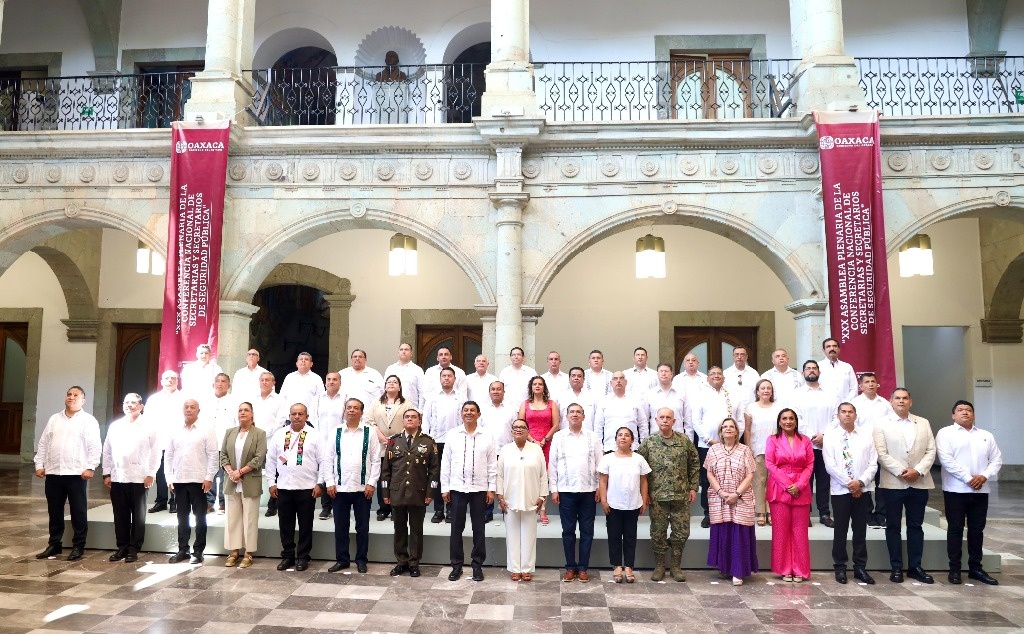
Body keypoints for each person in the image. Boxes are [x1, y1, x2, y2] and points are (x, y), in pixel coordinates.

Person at [873, 387, 936, 584]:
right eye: (897, 398)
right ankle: (897, 567)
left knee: (915, 526)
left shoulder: (923, 423)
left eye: (905, 398)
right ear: (891, 401)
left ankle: (915, 566)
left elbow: (931, 451)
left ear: (911, 401)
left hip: (919, 481)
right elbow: (881, 454)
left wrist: (917, 470)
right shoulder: (881, 423)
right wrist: (902, 471)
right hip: (893, 482)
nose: (901, 401)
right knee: (893, 526)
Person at [936, 399, 1002, 585]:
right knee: (955, 529)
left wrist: (983, 476)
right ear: (953, 415)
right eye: (960, 410)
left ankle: (976, 568)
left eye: (968, 410)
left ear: (973, 414)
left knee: (977, 530)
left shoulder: (986, 435)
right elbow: (947, 460)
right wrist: (968, 478)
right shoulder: (945, 433)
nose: (965, 412)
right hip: (955, 490)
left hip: (981, 490)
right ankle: (955, 569)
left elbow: (996, 460)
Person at [34, 386, 101, 562]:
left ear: (83, 400)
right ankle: (54, 543)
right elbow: (43, 443)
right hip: (54, 472)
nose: (71, 397)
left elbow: (95, 446)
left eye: (76, 395)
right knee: (54, 511)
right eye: (69, 394)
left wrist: (91, 466)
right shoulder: (54, 419)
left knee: (78, 510)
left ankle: (79, 545)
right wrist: (39, 464)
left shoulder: (88, 420)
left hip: (76, 474)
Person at [637, 407, 699, 582]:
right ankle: (659, 566)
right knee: (658, 533)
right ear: (656, 420)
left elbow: (694, 464)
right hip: (657, 496)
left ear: (674, 421)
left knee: (681, 532)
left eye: (668, 417)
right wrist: (645, 493)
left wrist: (693, 487)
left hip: (681, 496)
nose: (665, 420)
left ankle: (675, 566)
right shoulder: (648, 442)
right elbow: (639, 469)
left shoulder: (684, 441)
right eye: (661, 417)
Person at [266, 403, 328, 572]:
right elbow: (271, 460)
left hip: (307, 488)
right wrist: (271, 482)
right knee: (285, 524)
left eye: (301, 414)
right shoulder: (279, 435)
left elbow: (323, 461)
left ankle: (303, 557)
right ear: (289, 415)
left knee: (305, 524)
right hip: (283, 487)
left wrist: (320, 483)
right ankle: (287, 556)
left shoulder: (315, 435)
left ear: (307, 417)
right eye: (294, 413)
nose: (297, 417)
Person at [441, 401, 497, 582]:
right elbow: (446, 463)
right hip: (457, 488)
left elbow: (492, 465)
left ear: (479, 414)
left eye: (472, 410)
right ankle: (456, 566)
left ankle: (477, 566)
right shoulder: (452, 435)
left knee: (478, 529)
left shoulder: (487, 436)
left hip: (480, 489)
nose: (469, 413)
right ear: (461, 414)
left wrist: (491, 489)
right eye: (466, 410)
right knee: (456, 528)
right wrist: (445, 487)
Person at [822, 402, 877, 585]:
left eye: (850, 412)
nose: (847, 415)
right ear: (838, 415)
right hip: (840, 491)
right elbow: (830, 466)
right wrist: (849, 484)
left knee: (860, 530)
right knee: (841, 530)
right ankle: (840, 566)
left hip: (863, 489)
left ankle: (860, 567)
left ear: (855, 414)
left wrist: (860, 483)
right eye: (843, 412)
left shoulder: (866, 435)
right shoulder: (830, 436)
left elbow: (873, 463)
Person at [382, 409, 440, 577]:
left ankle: (414, 562)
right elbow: (386, 470)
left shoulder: (428, 442)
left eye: (414, 417)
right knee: (399, 528)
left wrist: (430, 492)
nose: (410, 419)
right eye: (407, 417)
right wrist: (385, 492)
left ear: (419, 421)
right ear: (403, 421)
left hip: (418, 492)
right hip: (397, 492)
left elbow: (434, 471)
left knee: (416, 529)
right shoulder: (393, 442)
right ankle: (401, 561)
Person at [325, 398, 381, 574]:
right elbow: (328, 459)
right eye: (349, 408)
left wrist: (372, 483)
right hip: (340, 488)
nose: (351, 411)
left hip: (362, 488)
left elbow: (376, 459)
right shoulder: (336, 431)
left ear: (361, 412)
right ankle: (342, 560)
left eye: (356, 408)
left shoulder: (369, 432)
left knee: (362, 526)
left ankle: (361, 560)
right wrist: (330, 482)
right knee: (340, 526)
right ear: (344, 411)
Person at [549, 403, 603, 582]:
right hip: (566, 491)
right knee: (568, 531)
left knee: (587, 531)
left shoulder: (592, 437)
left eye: (578, 412)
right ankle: (570, 567)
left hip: (588, 491)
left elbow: (599, 464)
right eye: (571, 412)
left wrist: (598, 487)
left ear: (584, 416)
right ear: (566, 416)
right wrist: (554, 489)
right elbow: (553, 464)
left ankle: (583, 568)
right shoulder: (558, 437)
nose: (575, 415)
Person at [102, 393, 159, 563]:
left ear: (141, 406)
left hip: (139, 477)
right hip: (118, 476)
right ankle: (122, 546)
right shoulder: (115, 426)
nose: (129, 405)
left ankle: (134, 548)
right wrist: (106, 473)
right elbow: (107, 450)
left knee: (138, 515)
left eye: (133, 403)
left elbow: (156, 452)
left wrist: (151, 473)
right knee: (120, 514)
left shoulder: (149, 426)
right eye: (126, 402)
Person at [705, 418, 758, 586]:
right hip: (719, 497)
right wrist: (720, 492)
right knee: (724, 530)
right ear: (720, 432)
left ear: (737, 432)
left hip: (741, 498)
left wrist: (736, 493)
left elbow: (750, 474)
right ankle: (724, 567)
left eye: (732, 427)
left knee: (739, 533)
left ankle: (738, 571)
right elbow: (709, 474)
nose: (728, 429)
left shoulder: (745, 450)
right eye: (725, 427)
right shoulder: (713, 450)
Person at [165, 399, 218, 565]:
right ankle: (183, 549)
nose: (189, 409)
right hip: (179, 480)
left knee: (200, 517)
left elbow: (213, 455)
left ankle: (198, 550)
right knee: (182, 517)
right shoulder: (175, 429)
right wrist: (169, 478)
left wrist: (209, 477)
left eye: (192, 407)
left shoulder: (206, 429)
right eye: (186, 407)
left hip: (199, 480)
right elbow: (169, 456)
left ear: (198, 411)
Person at [788, 360, 839, 527]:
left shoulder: (831, 394)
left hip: (826, 444)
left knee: (824, 481)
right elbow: (796, 419)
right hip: (805, 444)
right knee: (805, 481)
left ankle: (824, 513)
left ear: (819, 372)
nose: (811, 371)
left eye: (814, 368)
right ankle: (805, 513)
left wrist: (824, 435)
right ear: (803, 373)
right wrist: (812, 436)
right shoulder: (796, 394)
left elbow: (836, 418)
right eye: (808, 368)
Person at [496, 419, 549, 581]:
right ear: (511, 431)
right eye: (516, 427)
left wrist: (542, 497)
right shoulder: (505, 450)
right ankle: (514, 568)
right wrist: (500, 496)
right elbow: (499, 475)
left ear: (528, 431)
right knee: (512, 535)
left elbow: (543, 475)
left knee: (529, 535)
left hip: (532, 499)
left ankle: (527, 568)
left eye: (522, 427)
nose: (519, 430)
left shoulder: (536, 450)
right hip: (510, 500)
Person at [765, 408, 814, 582]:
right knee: (781, 531)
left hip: (801, 489)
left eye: (791, 418)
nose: (788, 421)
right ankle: (785, 569)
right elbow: (770, 464)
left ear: (796, 421)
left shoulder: (805, 440)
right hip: (779, 488)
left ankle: (800, 569)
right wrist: (787, 485)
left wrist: (799, 485)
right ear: (779, 422)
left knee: (800, 532)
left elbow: (809, 464)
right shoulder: (772, 440)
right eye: (784, 418)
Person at [598, 427, 650, 584]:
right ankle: (616, 566)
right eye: (620, 435)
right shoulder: (608, 459)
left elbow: (643, 481)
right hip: (613, 504)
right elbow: (603, 481)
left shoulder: (638, 459)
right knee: (614, 537)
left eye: (627, 435)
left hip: (633, 504)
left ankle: (629, 566)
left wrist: (644, 499)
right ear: (615, 439)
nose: (623, 438)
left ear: (632, 440)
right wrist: (604, 500)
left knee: (630, 537)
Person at [692, 366, 742, 527]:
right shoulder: (700, 395)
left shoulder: (733, 396)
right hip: (708, 445)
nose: (716, 376)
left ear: (724, 377)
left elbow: (740, 420)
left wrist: (733, 439)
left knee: (730, 477)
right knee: (708, 479)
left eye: (719, 374)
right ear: (707, 378)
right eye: (712, 374)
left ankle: (730, 510)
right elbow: (696, 421)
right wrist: (708, 440)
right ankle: (708, 513)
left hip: (730, 445)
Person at [220, 401, 267, 569]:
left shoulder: (259, 434)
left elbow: (259, 458)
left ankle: (248, 552)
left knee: (249, 519)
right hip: (231, 481)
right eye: (240, 410)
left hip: (250, 481)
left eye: (246, 410)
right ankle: (234, 552)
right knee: (232, 518)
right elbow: (223, 454)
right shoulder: (230, 432)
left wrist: (240, 472)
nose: (242, 413)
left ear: (252, 414)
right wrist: (231, 472)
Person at [850, 372, 895, 527]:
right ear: (860, 386)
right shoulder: (854, 404)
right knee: (866, 481)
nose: (870, 384)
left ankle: (881, 514)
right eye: (867, 382)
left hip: (882, 448)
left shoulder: (885, 404)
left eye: (873, 381)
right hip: (863, 448)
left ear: (877, 384)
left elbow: (891, 425)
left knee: (881, 483)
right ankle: (867, 513)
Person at [369, 375, 414, 521]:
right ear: (385, 386)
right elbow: (369, 421)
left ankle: (397, 508)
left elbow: (410, 422)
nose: (392, 384)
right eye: (389, 382)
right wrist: (382, 437)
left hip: (399, 445)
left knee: (398, 477)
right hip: (380, 445)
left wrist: (396, 439)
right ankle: (383, 508)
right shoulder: (376, 402)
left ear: (399, 386)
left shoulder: (406, 403)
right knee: (383, 477)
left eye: (395, 382)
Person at [424, 367, 464, 523]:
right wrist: (427, 440)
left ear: (454, 379)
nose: (446, 378)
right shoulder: (433, 397)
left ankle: (451, 510)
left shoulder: (461, 397)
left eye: (449, 376)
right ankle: (438, 510)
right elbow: (426, 420)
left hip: (456, 442)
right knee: (437, 475)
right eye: (444, 376)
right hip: (436, 441)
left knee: (453, 475)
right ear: (440, 379)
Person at [518, 376, 559, 525]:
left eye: (540, 384)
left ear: (544, 387)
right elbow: (520, 424)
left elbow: (556, 425)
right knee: (530, 474)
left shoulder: (551, 404)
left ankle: (542, 509)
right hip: (529, 443)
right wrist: (533, 441)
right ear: (531, 387)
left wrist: (545, 439)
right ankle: (529, 506)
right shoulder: (525, 404)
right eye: (534, 384)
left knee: (544, 476)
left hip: (546, 444)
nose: (537, 386)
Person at [743, 378, 782, 527]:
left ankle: (771, 510)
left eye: (768, 388)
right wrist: (748, 448)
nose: (766, 390)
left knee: (773, 482)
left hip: (776, 450)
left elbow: (782, 428)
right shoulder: (751, 408)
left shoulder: (778, 407)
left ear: (772, 392)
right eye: (763, 388)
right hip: (757, 448)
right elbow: (747, 429)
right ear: (757, 391)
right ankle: (760, 511)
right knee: (758, 481)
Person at [146, 370, 185, 513]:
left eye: (173, 378)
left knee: (175, 471)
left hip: (178, 441)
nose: (170, 380)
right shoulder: (154, 399)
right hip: (159, 440)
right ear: (161, 381)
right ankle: (161, 501)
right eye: (167, 378)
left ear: (177, 381)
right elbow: (148, 420)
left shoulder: (184, 398)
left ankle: (174, 501)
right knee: (160, 471)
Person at [312, 371, 346, 520]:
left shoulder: (345, 398)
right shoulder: (318, 399)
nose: (331, 382)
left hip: (340, 440)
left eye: (335, 379)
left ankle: (339, 506)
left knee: (339, 471)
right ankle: (326, 508)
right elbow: (313, 418)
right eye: (329, 379)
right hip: (322, 440)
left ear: (340, 382)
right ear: (325, 382)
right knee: (325, 472)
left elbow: (348, 419)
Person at [253, 371, 287, 517]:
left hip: (272, 441)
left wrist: (262, 434)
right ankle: (252, 502)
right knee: (252, 472)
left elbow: (280, 421)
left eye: (268, 380)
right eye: (262, 380)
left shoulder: (280, 400)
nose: (265, 382)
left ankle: (273, 505)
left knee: (275, 473)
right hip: (253, 441)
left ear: (273, 383)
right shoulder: (253, 399)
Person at [204, 372, 237, 513]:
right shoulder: (205, 401)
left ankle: (224, 503)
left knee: (225, 474)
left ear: (229, 385)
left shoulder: (235, 401)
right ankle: (209, 503)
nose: (220, 383)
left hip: (226, 442)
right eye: (217, 381)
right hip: (209, 442)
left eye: (223, 381)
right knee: (209, 472)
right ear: (213, 384)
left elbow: (237, 423)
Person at [594, 372, 647, 453]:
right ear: (611, 383)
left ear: (626, 382)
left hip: (632, 448)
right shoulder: (603, 401)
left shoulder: (635, 400)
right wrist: (600, 447)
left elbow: (643, 424)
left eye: (621, 378)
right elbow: (598, 425)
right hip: (610, 447)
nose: (618, 381)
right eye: (615, 379)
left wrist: (643, 445)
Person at [645, 363, 688, 441]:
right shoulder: (649, 394)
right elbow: (645, 420)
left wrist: (689, 440)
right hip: (655, 440)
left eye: (666, 371)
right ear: (657, 374)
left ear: (671, 374)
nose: (664, 373)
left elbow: (688, 419)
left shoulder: (681, 393)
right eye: (661, 371)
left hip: (678, 439)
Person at [338, 349, 384, 419]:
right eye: (355, 356)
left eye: (360, 357)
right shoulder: (342, 374)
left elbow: (383, 394)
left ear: (365, 360)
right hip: (347, 417)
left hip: (368, 416)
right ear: (351, 359)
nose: (357, 358)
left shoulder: (375, 374)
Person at [671, 353, 707, 429]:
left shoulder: (705, 378)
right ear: (684, 364)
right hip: (683, 418)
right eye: (688, 360)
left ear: (698, 363)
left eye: (693, 360)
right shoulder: (677, 379)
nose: (691, 362)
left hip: (701, 418)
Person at [384, 342, 425, 410]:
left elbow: (422, 392)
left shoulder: (418, 370)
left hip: (411, 409)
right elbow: (384, 389)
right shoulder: (390, 369)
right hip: (392, 408)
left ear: (411, 353)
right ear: (398, 353)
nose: (403, 351)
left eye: (406, 349)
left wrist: (420, 411)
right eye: (401, 349)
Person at [818, 338, 857, 403]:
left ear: (839, 349)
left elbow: (854, 388)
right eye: (828, 346)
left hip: (845, 408)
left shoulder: (847, 367)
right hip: (825, 406)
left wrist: (846, 403)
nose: (832, 349)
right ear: (823, 350)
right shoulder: (817, 367)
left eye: (835, 346)